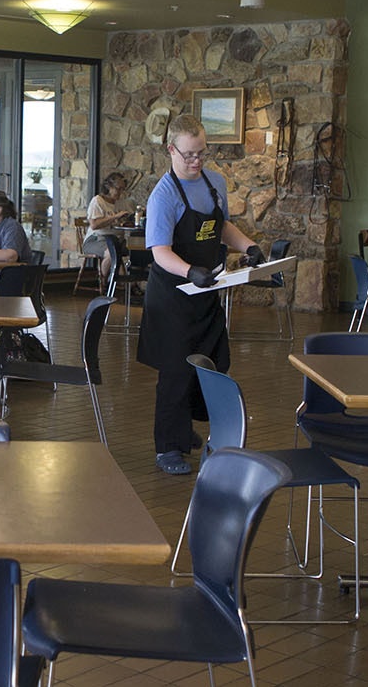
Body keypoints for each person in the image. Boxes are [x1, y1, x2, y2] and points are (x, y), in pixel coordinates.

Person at [138, 114, 262, 475]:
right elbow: (159, 251)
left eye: (201, 154)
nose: (196, 161)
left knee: (211, 363)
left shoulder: (214, 183)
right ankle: (168, 448)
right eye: (189, 154)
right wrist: (189, 270)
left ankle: (184, 427)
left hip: (206, 291)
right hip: (173, 295)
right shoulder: (163, 196)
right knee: (176, 372)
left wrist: (248, 246)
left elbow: (220, 225)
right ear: (170, 149)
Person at [84, 171, 135, 282]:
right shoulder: (98, 201)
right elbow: (94, 225)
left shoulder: (121, 202)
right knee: (112, 253)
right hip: (97, 239)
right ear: (109, 187)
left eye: (123, 189)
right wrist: (115, 217)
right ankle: (103, 281)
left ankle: (128, 283)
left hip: (117, 240)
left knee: (136, 251)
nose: (120, 192)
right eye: (118, 188)